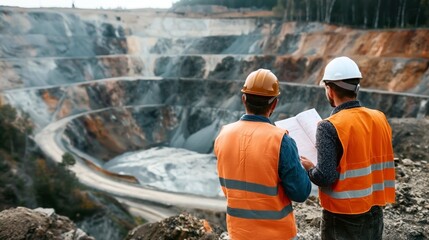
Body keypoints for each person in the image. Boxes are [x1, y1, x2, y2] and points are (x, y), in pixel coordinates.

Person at [300, 56, 396, 240]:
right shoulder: (379, 118)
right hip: (375, 210)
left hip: (343, 216)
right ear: (357, 88)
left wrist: (310, 167)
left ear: (329, 89)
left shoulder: (328, 126)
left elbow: (325, 177)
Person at [214, 68, 311, 240]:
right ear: (274, 104)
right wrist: (303, 168)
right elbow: (301, 193)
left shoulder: (223, 135)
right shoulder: (281, 140)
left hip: (238, 234)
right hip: (279, 235)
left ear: (244, 99)